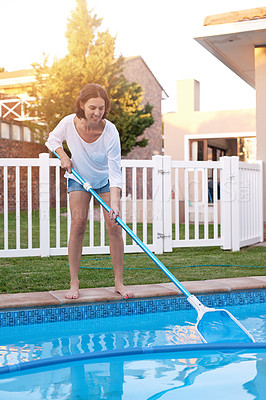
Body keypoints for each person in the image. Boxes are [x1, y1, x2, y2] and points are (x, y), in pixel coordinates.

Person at [45, 83, 133, 300]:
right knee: (77, 225)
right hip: (78, 178)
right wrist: (63, 156)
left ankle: (118, 283)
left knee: (114, 226)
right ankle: (74, 284)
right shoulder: (68, 123)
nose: (97, 112)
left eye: (101, 108)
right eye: (92, 107)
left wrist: (115, 204)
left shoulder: (110, 131)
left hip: (104, 181)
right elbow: (52, 140)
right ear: (82, 105)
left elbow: (115, 170)